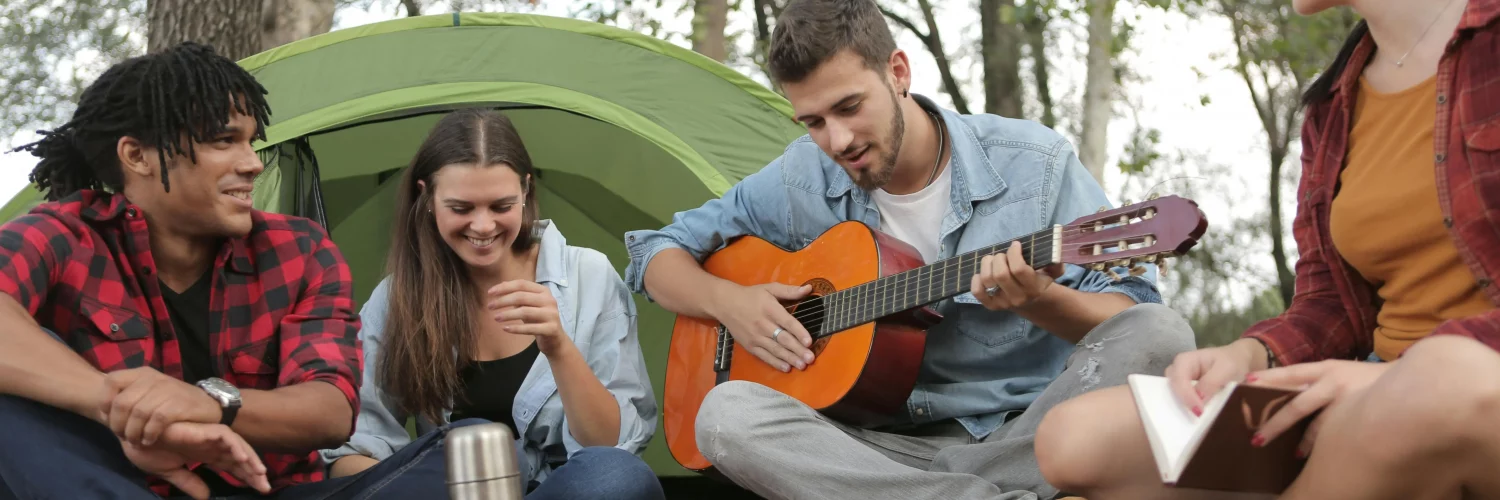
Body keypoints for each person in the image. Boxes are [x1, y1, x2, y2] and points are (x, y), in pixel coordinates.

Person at [620, 0, 1197, 498]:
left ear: (898, 71)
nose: (836, 141)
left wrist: (1037, 299)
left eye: (849, 108)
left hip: (1029, 433)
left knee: (1161, 333)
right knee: (723, 417)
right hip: (877, 451)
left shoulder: (1034, 164)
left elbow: (1127, 315)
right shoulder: (802, 177)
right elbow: (654, 254)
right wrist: (731, 304)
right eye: (813, 122)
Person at [1032, 0, 1500, 498]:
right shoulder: (1332, 106)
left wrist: (1403, 382)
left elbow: (1441, 375)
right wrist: (1250, 353)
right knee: (1077, 438)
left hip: (1464, 383)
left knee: (1445, 376)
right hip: (1376, 384)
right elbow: (1331, 302)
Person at [0, 42, 372, 499]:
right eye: (224, 141)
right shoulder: (62, 235)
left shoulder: (300, 248)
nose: (253, 162)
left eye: (251, 141)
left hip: (278, 492)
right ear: (137, 157)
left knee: (462, 448)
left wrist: (207, 403)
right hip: (111, 485)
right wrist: (119, 405)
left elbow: (330, 411)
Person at [319, 108, 663, 500]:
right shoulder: (398, 298)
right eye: (461, 208)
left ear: (526, 192)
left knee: (619, 475)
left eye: (501, 206)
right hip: (451, 493)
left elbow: (611, 444)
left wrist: (558, 347)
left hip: (562, 492)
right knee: (479, 446)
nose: (483, 227)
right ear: (427, 198)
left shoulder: (589, 275)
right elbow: (353, 449)